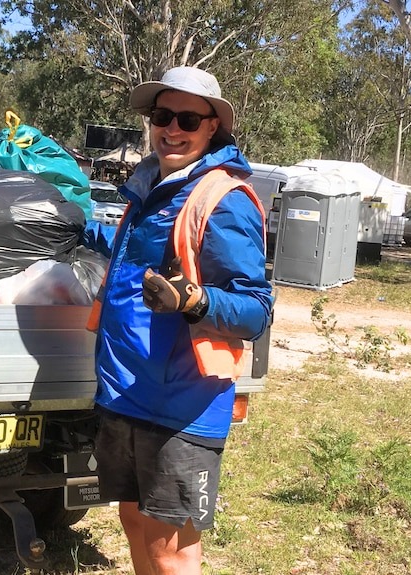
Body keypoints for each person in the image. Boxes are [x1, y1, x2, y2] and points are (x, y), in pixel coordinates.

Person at [83, 66, 274, 574]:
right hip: (124, 392)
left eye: (188, 118)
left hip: (181, 406)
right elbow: (129, 258)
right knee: (133, 520)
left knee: (172, 551)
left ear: (214, 126)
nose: (173, 128)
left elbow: (256, 309)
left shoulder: (221, 199)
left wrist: (196, 303)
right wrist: (74, 224)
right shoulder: (150, 188)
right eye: (163, 115)